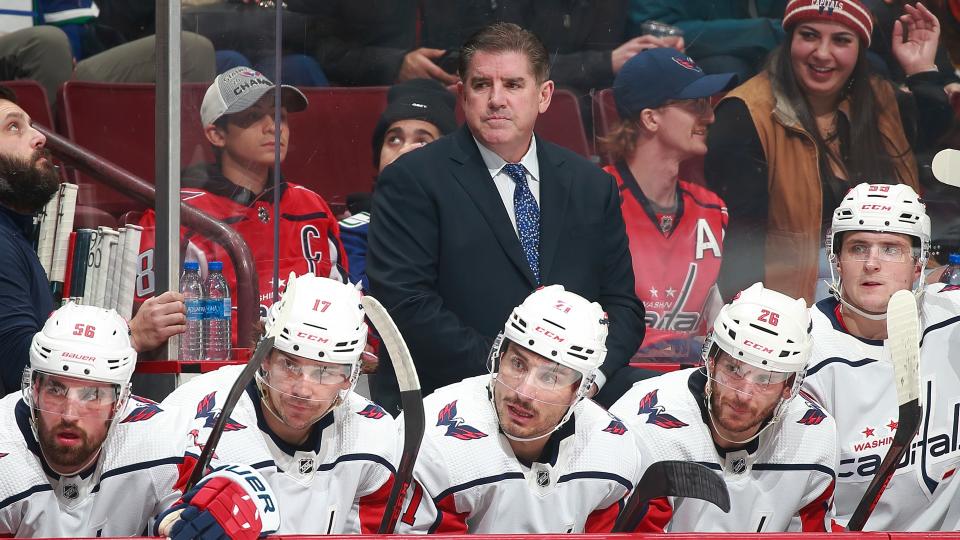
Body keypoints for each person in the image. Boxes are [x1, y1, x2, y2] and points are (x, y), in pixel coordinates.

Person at [367, 22, 644, 414]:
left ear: (544, 95)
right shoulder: (411, 180)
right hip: (454, 399)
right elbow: (406, 305)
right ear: (462, 95)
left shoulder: (591, 185)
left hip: (575, 400)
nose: (496, 99)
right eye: (482, 85)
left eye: (513, 85)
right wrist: (512, 377)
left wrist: (586, 378)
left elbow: (623, 306)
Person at [704, 0, 953, 305]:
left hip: (890, 287)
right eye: (809, 35)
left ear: (860, 49)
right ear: (789, 41)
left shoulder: (878, 98)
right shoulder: (744, 114)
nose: (822, 53)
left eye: (841, 40)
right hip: (795, 303)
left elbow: (932, 130)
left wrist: (921, 69)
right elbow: (739, 244)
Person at [160, 273, 399, 534]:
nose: (303, 389)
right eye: (289, 364)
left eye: (325, 371)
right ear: (264, 357)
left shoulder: (373, 432)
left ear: (351, 375)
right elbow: (155, 520)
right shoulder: (193, 413)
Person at [397, 285, 641, 533]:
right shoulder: (435, 439)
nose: (523, 393)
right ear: (498, 356)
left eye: (550, 378)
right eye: (518, 364)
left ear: (580, 389)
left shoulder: (612, 446)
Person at [135, 67, 348, 341]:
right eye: (253, 116)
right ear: (216, 135)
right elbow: (149, 323)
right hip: (215, 373)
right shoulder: (176, 213)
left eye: (279, 115)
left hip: (307, 366)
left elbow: (345, 305)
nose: (274, 127)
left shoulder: (312, 205)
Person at [611, 282, 838, 531]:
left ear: (790, 386)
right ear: (710, 360)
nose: (743, 395)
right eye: (733, 369)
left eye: (766, 379)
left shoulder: (814, 433)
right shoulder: (645, 421)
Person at [0, 84, 182, 395]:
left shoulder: (13, 234)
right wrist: (129, 335)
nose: (39, 137)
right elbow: (24, 369)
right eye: (14, 127)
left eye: (31, 124)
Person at [802, 182, 960, 530]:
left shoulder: (952, 318)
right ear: (837, 261)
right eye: (858, 247)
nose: (872, 264)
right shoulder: (802, 351)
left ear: (918, 264)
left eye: (891, 249)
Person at [0, 303, 191, 535]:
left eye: (93, 395)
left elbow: (227, 488)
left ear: (119, 402)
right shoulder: (5, 454)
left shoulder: (162, 438)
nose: (69, 415)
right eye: (56, 390)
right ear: (35, 388)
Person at [603, 48, 735, 362]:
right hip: (612, 383)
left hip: (690, 385)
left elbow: (716, 323)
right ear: (650, 118)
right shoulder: (595, 196)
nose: (710, 116)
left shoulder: (713, 210)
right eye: (696, 105)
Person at [339, 78, 458, 291]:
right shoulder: (350, 233)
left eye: (423, 141)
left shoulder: (466, 229)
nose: (404, 151)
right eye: (394, 139)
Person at [627, 0, 788, 82]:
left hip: (751, 45)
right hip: (682, 59)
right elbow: (656, 31)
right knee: (730, 70)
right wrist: (763, 32)